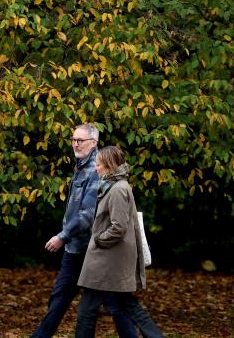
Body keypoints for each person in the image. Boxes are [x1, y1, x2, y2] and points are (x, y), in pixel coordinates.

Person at [30, 124, 138, 338]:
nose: (75, 144)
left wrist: (62, 236)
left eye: (81, 140)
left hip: (94, 250)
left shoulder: (96, 170)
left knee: (113, 303)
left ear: (94, 143)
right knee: (60, 298)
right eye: (73, 140)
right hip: (76, 247)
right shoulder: (81, 166)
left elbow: (88, 215)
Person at [75, 145, 164, 338]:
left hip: (107, 261)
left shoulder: (117, 189)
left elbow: (119, 227)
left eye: (99, 164)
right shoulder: (114, 186)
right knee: (126, 305)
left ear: (109, 165)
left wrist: (98, 239)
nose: (96, 168)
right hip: (109, 260)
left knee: (87, 310)